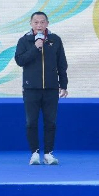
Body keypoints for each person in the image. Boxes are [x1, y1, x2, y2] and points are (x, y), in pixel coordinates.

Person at [14, 11, 68, 165]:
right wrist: (35, 47)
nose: (39, 25)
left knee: (50, 122)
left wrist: (63, 85)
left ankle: (49, 153)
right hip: (31, 89)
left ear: (47, 23)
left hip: (51, 88)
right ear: (31, 24)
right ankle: (34, 153)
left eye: (42, 22)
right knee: (31, 122)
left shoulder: (55, 39)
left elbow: (62, 63)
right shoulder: (24, 40)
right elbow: (20, 60)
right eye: (36, 22)